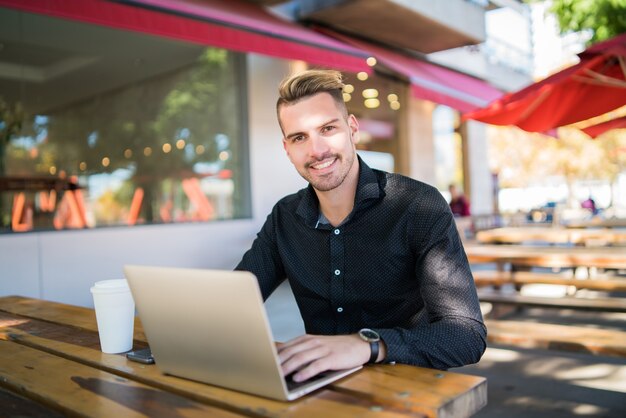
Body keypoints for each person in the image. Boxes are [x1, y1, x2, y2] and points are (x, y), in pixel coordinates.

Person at [236, 69, 485, 383]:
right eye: (300, 137)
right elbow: (235, 302)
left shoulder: (419, 205)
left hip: (410, 394)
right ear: (287, 149)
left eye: (328, 128)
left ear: (352, 128)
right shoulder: (284, 217)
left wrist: (370, 344)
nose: (316, 150)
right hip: (322, 393)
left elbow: (466, 335)